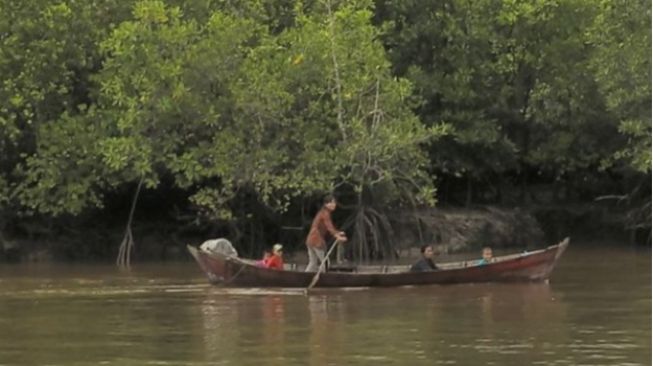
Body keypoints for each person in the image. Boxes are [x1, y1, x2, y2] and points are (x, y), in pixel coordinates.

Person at [305, 195, 347, 272]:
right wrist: (337, 235)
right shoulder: (325, 213)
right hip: (316, 240)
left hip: (310, 240)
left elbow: (329, 226)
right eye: (331, 203)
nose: (334, 204)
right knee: (325, 263)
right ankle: (323, 279)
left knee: (313, 262)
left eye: (334, 203)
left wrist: (338, 233)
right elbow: (329, 226)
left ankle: (304, 278)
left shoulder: (323, 212)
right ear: (326, 204)